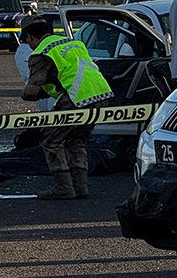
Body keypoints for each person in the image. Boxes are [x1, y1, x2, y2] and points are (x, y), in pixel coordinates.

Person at [19, 18, 115, 200]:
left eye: (27, 41)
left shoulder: (41, 52)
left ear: (30, 37)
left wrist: (29, 94)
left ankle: (63, 187)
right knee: (75, 140)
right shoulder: (73, 43)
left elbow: (31, 92)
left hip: (76, 98)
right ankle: (81, 187)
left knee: (50, 139)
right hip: (101, 95)